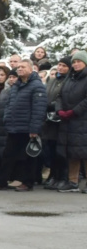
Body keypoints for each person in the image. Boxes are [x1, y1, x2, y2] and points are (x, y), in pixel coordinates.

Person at [0, 59, 46, 191]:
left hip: (28, 128)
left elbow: (39, 109)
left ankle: (28, 182)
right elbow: (9, 105)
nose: (19, 69)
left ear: (31, 69)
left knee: (28, 156)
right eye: (18, 67)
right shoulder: (16, 86)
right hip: (14, 127)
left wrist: (34, 129)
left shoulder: (37, 86)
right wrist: (7, 120)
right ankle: (1, 181)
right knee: (8, 155)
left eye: (23, 67)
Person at [56, 50, 87, 192]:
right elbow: (59, 96)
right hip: (68, 121)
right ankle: (72, 181)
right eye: (74, 62)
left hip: (82, 120)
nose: (76, 64)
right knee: (71, 152)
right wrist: (60, 110)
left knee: (84, 152)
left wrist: (74, 111)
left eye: (79, 61)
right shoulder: (69, 78)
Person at [42, 57, 70, 189]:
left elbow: (64, 99)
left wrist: (52, 106)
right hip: (49, 120)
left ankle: (62, 176)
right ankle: (53, 175)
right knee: (50, 148)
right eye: (59, 65)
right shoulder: (52, 80)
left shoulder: (69, 81)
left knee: (61, 151)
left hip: (61, 119)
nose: (61, 68)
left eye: (64, 65)